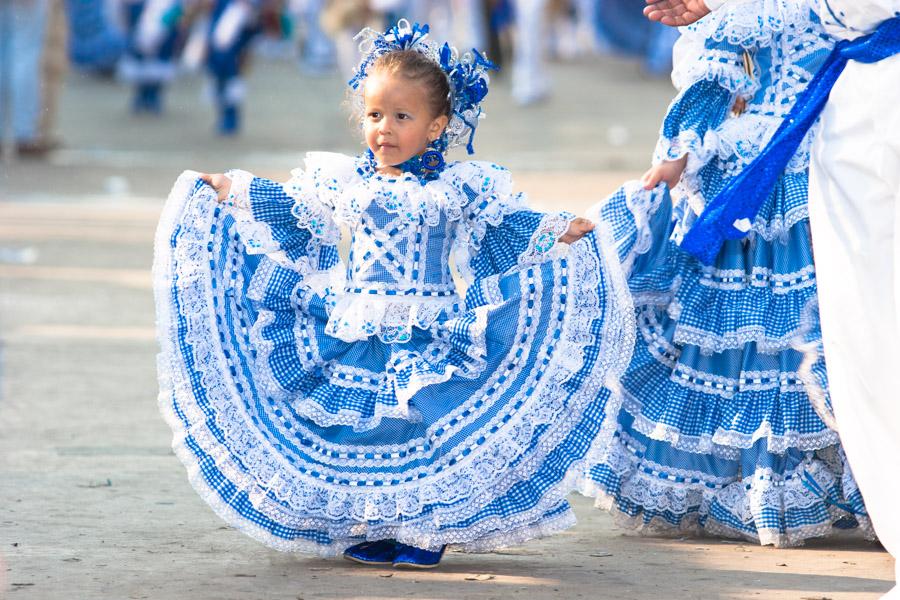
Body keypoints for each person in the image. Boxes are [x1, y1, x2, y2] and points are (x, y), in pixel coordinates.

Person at [153, 20, 655, 568]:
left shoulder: (459, 187)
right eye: (373, 115)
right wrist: (235, 189)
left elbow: (505, 226)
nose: (383, 129)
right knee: (367, 428)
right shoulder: (345, 180)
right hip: (355, 321)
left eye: (401, 116)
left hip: (431, 327)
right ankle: (384, 521)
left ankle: (423, 530)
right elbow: (296, 209)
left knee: (423, 426)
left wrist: (558, 228)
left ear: (437, 125)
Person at [581, 0, 873, 547]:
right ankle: (758, 480)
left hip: (821, 175)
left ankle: (855, 480)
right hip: (743, 185)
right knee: (746, 341)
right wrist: (678, 155)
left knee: (815, 333)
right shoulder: (735, 17)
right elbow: (711, 95)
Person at [648, 0, 900, 593]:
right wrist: (679, 150)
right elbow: (715, 73)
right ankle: (777, 487)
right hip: (781, 161)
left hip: (823, 149)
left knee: (839, 333)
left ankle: (844, 490)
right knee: (801, 341)